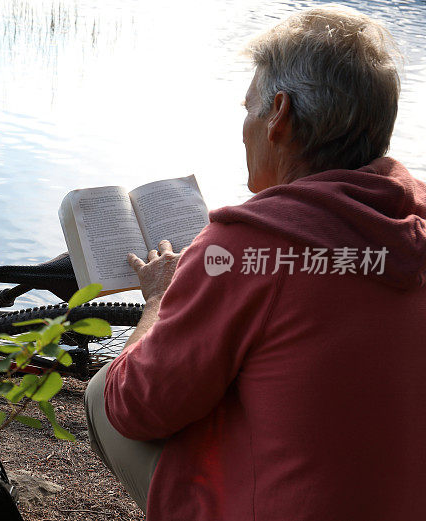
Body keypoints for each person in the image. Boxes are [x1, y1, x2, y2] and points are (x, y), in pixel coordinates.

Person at [85, 5, 426, 521]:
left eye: (250, 107)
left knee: (101, 391)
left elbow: (135, 408)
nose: (243, 126)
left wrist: (157, 301)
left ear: (279, 115)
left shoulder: (247, 249)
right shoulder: (415, 221)